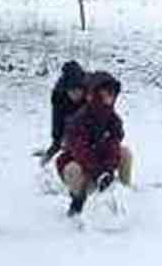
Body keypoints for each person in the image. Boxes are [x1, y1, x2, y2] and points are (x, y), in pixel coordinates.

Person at [56, 70, 134, 216]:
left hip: (102, 167)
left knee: (125, 153)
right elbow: (80, 151)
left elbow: (114, 145)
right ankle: (77, 205)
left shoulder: (113, 119)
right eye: (106, 93)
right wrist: (99, 172)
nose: (110, 97)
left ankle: (125, 195)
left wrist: (109, 169)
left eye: (112, 93)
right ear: (95, 95)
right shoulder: (78, 120)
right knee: (72, 169)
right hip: (81, 169)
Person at [38, 61, 89, 167]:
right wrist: (55, 145)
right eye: (72, 91)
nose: (75, 94)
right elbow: (57, 126)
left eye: (78, 90)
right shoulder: (59, 97)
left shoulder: (91, 95)